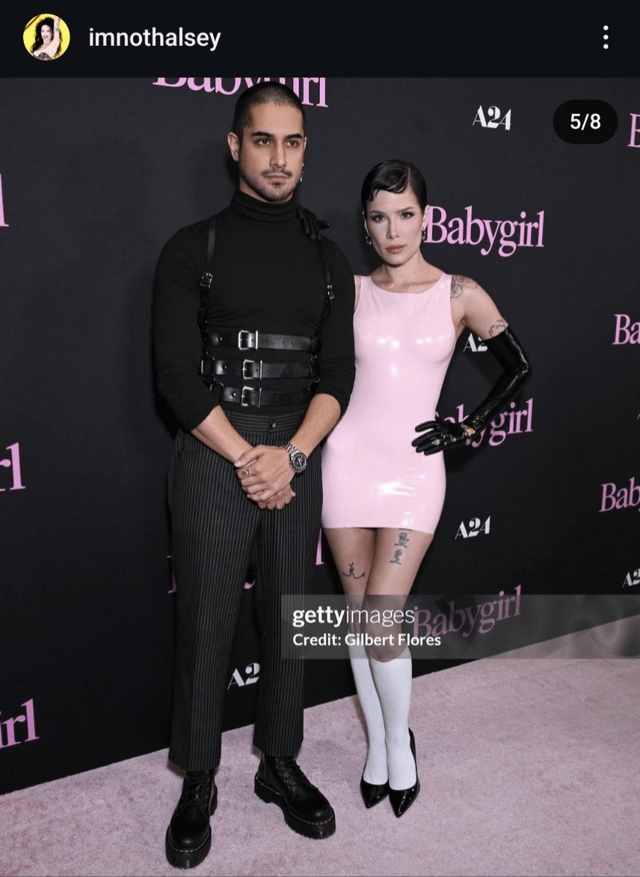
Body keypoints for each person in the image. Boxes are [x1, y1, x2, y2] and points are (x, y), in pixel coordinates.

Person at [153, 82, 355, 868]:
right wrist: (247, 455)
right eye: (263, 140)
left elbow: (337, 375)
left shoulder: (328, 257)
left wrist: (292, 454)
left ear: (305, 150)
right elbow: (176, 378)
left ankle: (279, 762)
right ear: (235, 146)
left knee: (290, 613)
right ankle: (198, 776)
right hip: (216, 451)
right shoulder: (191, 248)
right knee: (205, 617)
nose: (279, 157)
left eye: (292, 141)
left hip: (295, 455)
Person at [322, 160, 531, 818]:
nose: (394, 230)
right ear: (365, 224)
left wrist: (469, 426)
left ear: (427, 217)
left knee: (383, 612)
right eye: (379, 217)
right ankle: (377, 747)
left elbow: (519, 367)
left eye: (405, 215)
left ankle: (399, 744)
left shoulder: (459, 292)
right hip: (345, 462)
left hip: (414, 471)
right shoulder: (350, 291)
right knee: (360, 614)